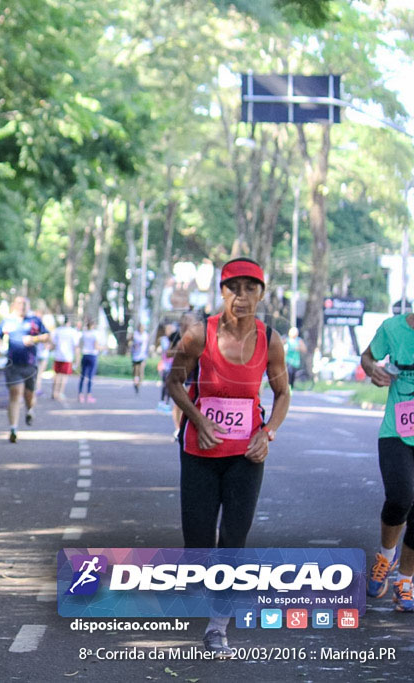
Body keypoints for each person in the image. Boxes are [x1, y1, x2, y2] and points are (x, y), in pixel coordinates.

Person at [165, 257, 289, 657]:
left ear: (261, 293)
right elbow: (174, 381)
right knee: (199, 543)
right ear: (221, 292)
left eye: (250, 288)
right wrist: (197, 418)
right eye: (233, 288)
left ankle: (217, 628)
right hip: (199, 452)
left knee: (233, 539)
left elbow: (283, 393)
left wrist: (267, 432)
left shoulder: (270, 340)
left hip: (246, 456)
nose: (241, 296)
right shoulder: (200, 335)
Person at [360, 313, 414, 611]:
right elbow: (368, 357)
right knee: (400, 498)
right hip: (397, 429)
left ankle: (405, 581)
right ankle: (386, 555)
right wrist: (373, 370)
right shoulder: (393, 328)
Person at [0, 296, 49, 443]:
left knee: (29, 396)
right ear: (14, 305)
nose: (22, 306)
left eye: (25, 304)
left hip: (30, 365)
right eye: (20, 304)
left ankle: (29, 410)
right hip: (13, 365)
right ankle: (13, 428)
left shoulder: (34, 321)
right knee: (15, 394)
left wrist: (33, 339)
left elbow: (47, 336)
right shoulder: (7, 321)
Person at [51, 316, 79, 401]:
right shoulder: (73, 332)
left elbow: (53, 343)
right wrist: (77, 359)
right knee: (64, 376)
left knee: (57, 374)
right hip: (67, 357)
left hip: (58, 355)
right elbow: (76, 346)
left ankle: (54, 392)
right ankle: (60, 392)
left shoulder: (58, 331)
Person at [77, 318, 100, 403]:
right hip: (92, 355)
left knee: (82, 376)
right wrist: (103, 347)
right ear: (93, 325)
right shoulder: (95, 334)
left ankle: (80, 394)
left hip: (85, 355)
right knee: (90, 376)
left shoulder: (84, 333)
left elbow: (80, 345)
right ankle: (89, 395)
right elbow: (96, 346)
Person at [130, 323, 147, 394]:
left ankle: (139, 384)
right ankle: (135, 384)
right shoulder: (135, 334)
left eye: (143, 328)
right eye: (140, 327)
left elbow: (146, 344)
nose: (141, 329)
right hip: (135, 356)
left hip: (142, 356)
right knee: (135, 372)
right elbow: (130, 341)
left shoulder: (146, 334)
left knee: (141, 371)